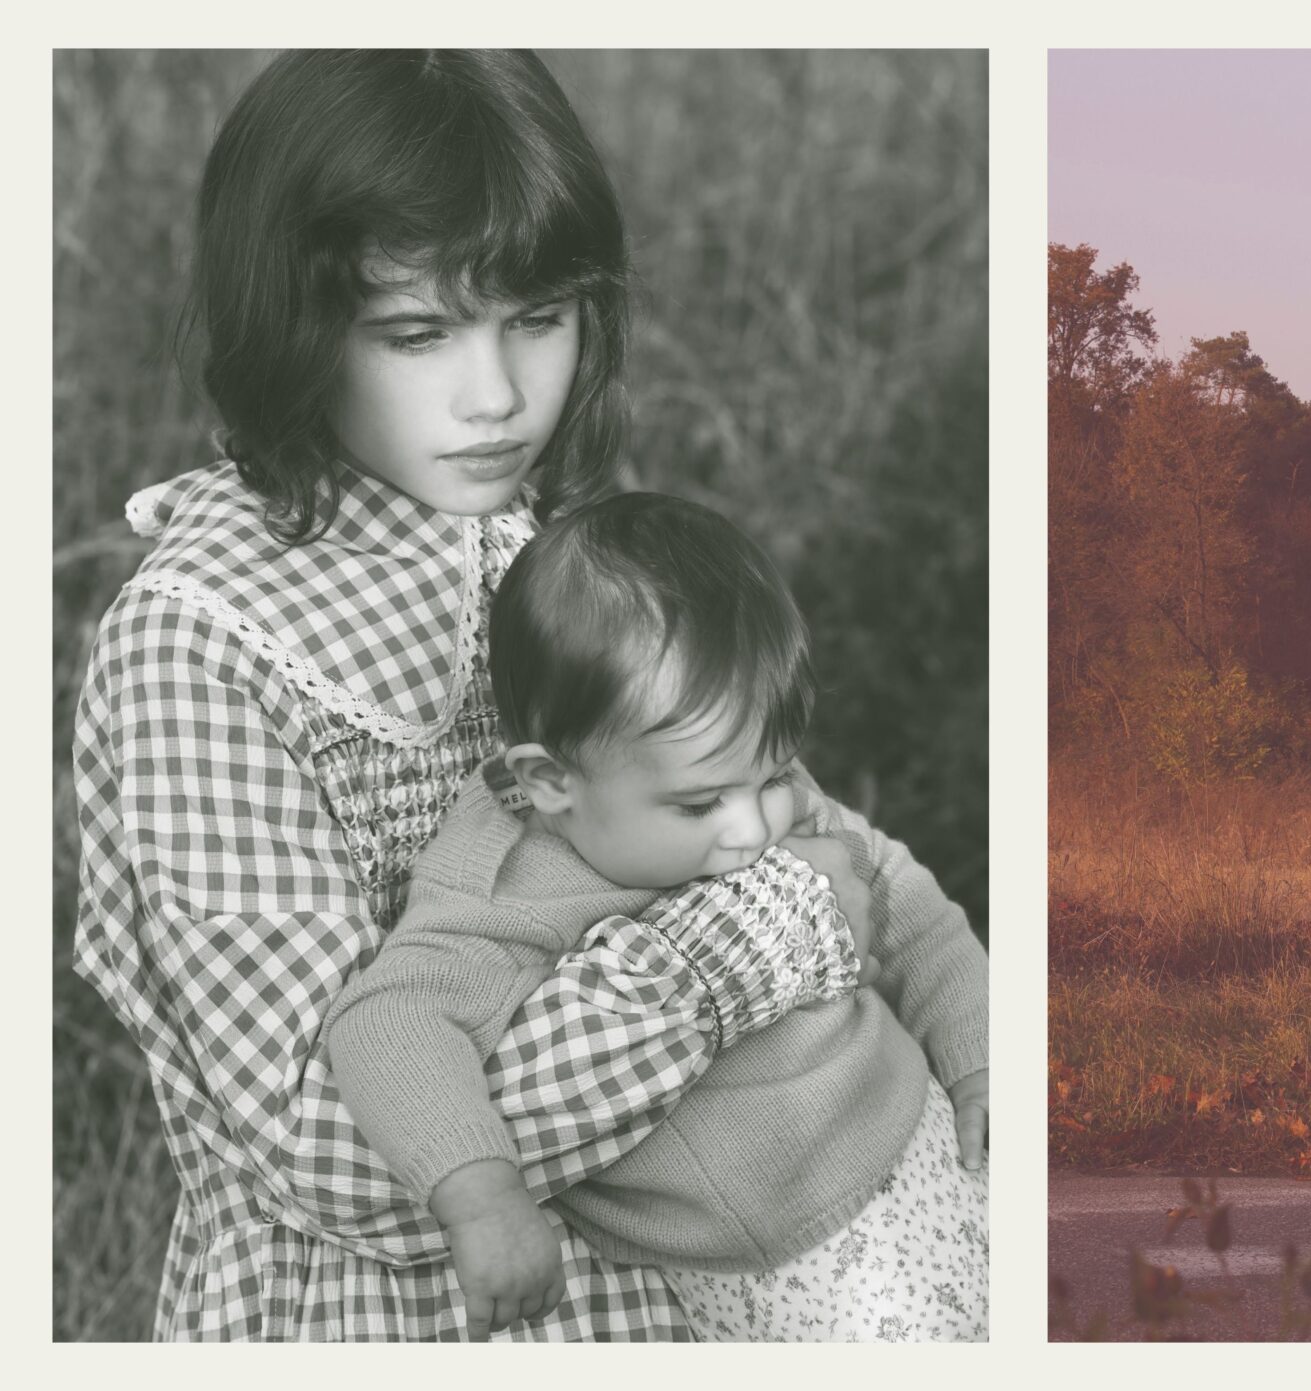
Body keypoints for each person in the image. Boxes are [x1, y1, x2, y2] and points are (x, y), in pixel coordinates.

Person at [70, 50, 963, 1342]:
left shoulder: (533, 540)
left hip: (658, 1300)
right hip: (398, 1323)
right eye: (419, 332)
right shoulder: (201, 645)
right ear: (291, 319)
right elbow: (336, 1150)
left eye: (539, 318)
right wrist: (728, 961)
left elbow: (793, 838)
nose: (496, 396)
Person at [327, 494, 989, 1342]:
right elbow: (393, 1018)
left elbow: (904, 902)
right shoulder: (507, 879)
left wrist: (978, 1055)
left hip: (921, 1132)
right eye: (701, 802)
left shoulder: (734, 773)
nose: (751, 828)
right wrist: (480, 1193)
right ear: (551, 781)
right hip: (792, 1261)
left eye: (776, 775)